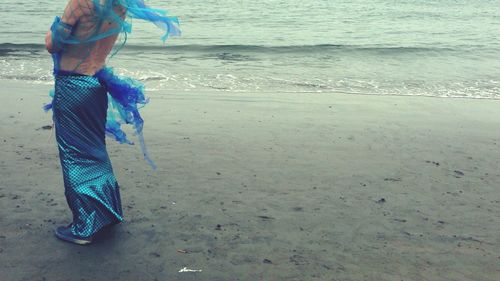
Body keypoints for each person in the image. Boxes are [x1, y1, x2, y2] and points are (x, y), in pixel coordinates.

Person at [44, 0, 180, 245]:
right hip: (97, 83)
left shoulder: (80, 2)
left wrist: (53, 28)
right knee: (95, 151)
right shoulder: (121, 4)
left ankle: (85, 227)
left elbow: (53, 45)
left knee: (75, 154)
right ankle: (107, 213)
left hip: (73, 84)